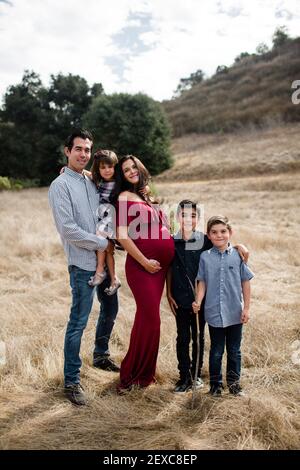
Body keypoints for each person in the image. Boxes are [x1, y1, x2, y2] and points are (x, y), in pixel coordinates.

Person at [48, 129, 120, 406]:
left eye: (87, 150)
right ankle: (71, 379)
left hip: (104, 261)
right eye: (78, 149)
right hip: (82, 265)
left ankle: (101, 355)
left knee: (111, 308)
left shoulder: (91, 181)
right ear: (67, 151)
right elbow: (68, 229)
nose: (83, 154)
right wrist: (101, 244)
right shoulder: (60, 186)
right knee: (79, 321)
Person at [167, 202, 250, 393]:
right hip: (180, 297)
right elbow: (170, 268)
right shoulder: (172, 241)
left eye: (194, 215)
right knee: (183, 337)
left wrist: (240, 246)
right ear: (177, 217)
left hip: (204, 300)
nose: (189, 219)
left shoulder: (205, 240)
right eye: (185, 215)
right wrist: (168, 292)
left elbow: (223, 245)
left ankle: (196, 375)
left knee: (199, 337)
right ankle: (184, 377)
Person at [115, 155, 175, 390]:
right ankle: (135, 374)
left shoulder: (147, 194)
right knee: (151, 319)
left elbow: (167, 231)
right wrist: (145, 262)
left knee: (146, 320)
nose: (131, 171)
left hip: (162, 269)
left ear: (141, 168)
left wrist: (169, 287)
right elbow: (122, 234)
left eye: (133, 167)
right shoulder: (123, 197)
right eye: (126, 170)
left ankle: (142, 372)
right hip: (141, 267)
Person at [192, 215, 254, 397]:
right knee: (217, 351)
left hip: (235, 312)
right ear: (208, 236)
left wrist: (247, 308)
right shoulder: (205, 257)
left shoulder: (238, 255)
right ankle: (216, 385)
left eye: (223, 231)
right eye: (214, 232)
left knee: (234, 351)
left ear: (230, 233)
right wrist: (199, 301)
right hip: (213, 312)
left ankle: (234, 384)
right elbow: (202, 281)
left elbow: (246, 283)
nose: (219, 235)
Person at [87, 149, 121, 296]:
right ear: (98, 169)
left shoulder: (119, 183)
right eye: (103, 167)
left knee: (101, 242)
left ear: (115, 166)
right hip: (103, 219)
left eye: (110, 166)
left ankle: (100, 270)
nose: (107, 170)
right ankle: (114, 278)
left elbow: (136, 187)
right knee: (108, 251)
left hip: (112, 220)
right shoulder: (99, 182)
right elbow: (89, 174)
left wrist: (144, 188)